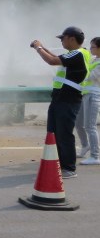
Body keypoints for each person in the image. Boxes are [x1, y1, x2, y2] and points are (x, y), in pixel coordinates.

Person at [31, 26, 92, 178]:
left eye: (63, 38)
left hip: (68, 99)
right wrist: (42, 47)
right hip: (60, 98)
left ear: (72, 39)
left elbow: (52, 61)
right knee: (53, 133)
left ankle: (69, 168)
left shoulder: (78, 53)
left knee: (64, 134)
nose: (61, 41)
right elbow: (56, 58)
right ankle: (56, 163)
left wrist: (38, 48)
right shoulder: (74, 54)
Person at [76, 36, 100, 165]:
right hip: (85, 95)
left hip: (93, 96)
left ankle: (95, 156)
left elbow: (90, 76)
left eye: (93, 47)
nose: (90, 49)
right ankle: (85, 146)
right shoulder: (94, 60)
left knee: (90, 126)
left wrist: (81, 64)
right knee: (79, 123)